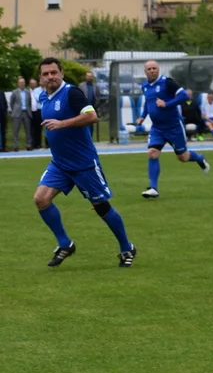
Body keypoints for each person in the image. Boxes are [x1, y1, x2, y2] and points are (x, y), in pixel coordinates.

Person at [32, 57, 136, 267]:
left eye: (54, 72)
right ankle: (65, 243)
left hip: (84, 163)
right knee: (41, 199)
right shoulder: (44, 97)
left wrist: (62, 124)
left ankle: (127, 248)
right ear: (40, 78)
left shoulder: (72, 93)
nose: (50, 77)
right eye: (46, 74)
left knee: (101, 206)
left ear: (61, 73)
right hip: (60, 163)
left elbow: (91, 116)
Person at [134, 60, 210, 199]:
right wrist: (142, 116)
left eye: (154, 68)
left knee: (183, 157)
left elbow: (184, 96)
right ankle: (153, 188)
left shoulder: (167, 82)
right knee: (152, 153)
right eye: (149, 69)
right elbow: (148, 102)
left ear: (158, 69)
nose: (152, 70)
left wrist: (167, 104)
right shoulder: (145, 86)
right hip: (157, 128)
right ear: (145, 71)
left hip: (173, 127)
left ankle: (199, 158)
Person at [9, 77, 33, 151]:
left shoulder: (27, 92)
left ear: (25, 83)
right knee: (16, 131)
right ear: (18, 84)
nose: (22, 84)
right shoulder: (14, 92)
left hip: (26, 112)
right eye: (21, 82)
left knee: (28, 130)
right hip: (17, 113)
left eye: (23, 82)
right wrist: (14, 110)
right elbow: (11, 103)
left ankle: (28, 145)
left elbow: (30, 102)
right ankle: (16, 146)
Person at [29, 78, 43, 149]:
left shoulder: (48, 89)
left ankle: (48, 144)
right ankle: (38, 144)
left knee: (49, 127)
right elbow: (39, 99)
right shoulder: (36, 90)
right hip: (39, 111)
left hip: (47, 110)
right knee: (37, 128)